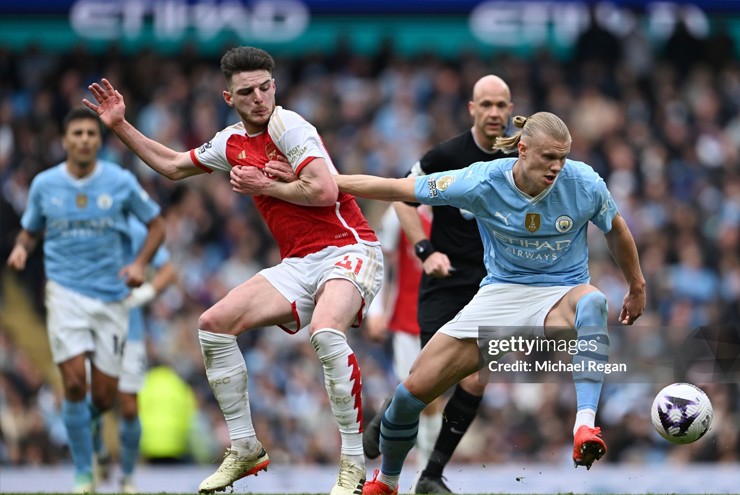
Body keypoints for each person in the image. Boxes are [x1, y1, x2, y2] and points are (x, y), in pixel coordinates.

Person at [83, 46, 383, 495]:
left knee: (325, 331)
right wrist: (121, 126)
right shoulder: (230, 143)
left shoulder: (290, 125)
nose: (259, 98)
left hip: (349, 248)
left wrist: (266, 185)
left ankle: (353, 466)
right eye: (247, 92)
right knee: (213, 324)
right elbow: (171, 166)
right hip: (300, 261)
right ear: (229, 98)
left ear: (274, 87)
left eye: (265, 87)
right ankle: (244, 448)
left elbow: (324, 191)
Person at [332, 112, 646, 495]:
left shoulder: (584, 184)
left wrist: (636, 284)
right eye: (548, 157)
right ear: (523, 149)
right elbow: (400, 189)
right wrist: (330, 182)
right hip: (500, 295)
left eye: (562, 157)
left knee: (594, 301)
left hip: (560, 294)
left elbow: (616, 229)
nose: (557, 167)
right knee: (409, 395)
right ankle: (388, 482)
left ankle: (584, 425)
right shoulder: (481, 180)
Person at [366, 74, 515, 494]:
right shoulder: (448, 154)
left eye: (501, 105)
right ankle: (386, 421)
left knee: (475, 380)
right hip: (446, 282)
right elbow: (402, 196)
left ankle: (431, 475)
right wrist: (425, 250)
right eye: (485, 104)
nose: (493, 113)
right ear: (472, 108)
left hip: (493, 286)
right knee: (432, 384)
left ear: (510, 109)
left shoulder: (520, 160)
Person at [6, 107, 166, 493]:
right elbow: (30, 230)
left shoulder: (121, 182)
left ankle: (91, 430)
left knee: (106, 397)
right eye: (76, 133)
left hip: (111, 298)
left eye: (90, 134)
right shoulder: (45, 185)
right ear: (65, 140)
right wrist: (21, 249)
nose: (83, 139)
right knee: (74, 383)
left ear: (99, 140)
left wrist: (141, 264)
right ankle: (83, 473)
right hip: (63, 293)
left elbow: (157, 225)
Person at [94, 215, 178, 493]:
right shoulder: (81, 222)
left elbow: (167, 270)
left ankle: (127, 477)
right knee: (91, 402)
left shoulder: (134, 227)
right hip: (91, 327)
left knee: (129, 407)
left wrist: (145, 294)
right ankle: (99, 454)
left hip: (130, 331)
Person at [362, 205, 438, 480]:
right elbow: (380, 259)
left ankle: (426, 473)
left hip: (449, 316)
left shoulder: (464, 209)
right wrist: (376, 310)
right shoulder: (401, 212)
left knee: (432, 395)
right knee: (418, 395)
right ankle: (418, 471)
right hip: (408, 319)